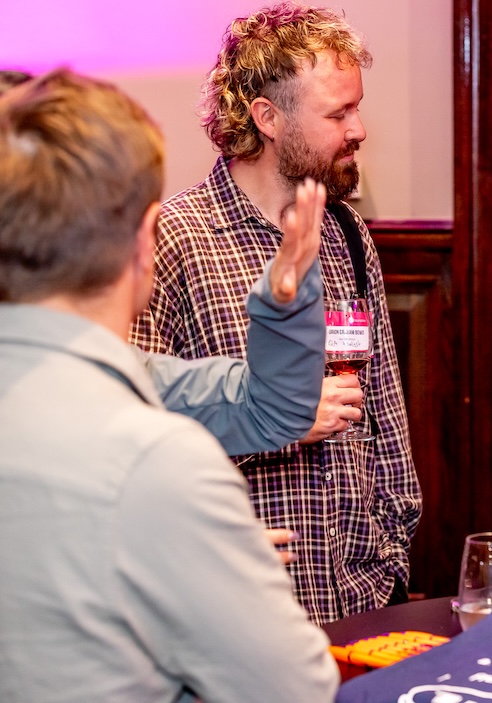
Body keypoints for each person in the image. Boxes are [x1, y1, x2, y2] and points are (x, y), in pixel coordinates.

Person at [0, 69, 337, 703]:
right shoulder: (160, 464)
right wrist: (219, 562)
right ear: (143, 239)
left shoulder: (130, 382)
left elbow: (271, 409)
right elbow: (297, 688)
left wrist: (284, 302)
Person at [130, 2, 421, 624]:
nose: (359, 129)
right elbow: (134, 440)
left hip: (359, 604)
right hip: (236, 613)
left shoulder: (347, 234)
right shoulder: (174, 240)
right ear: (267, 118)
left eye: (358, 107)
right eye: (338, 113)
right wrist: (274, 418)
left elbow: (387, 426)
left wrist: (391, 564)